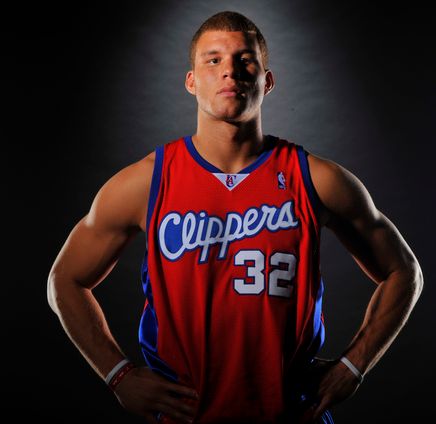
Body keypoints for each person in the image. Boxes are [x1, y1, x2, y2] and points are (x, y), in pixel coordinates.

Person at [47, 11, 423, 424]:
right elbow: (64, 279)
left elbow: (404, 271)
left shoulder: (317, 178)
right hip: (185, 416)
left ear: (267, 81)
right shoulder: (144, 183)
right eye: (213, 60)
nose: (230, 70)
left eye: (245, 60)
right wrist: (118, 375)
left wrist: (354, 365)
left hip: (292, 413)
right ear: (191, 81)